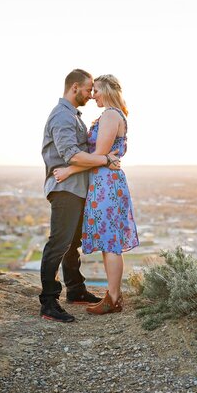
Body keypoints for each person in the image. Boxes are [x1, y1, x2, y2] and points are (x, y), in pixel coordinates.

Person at [39, 68, 121, 323]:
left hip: (76, 188)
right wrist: (105, 159)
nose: (90, 94)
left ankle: (75, 290)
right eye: (88, 89)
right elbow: (72, 155)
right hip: (65, 189)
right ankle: (49, 302)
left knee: (71, 244)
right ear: (75, 88)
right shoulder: (62, 117)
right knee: (59, 243)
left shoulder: (74, 116)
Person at [53, 74, 139, 315]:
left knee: (111, 242)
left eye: (97, 91)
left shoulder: (111, 115)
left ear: (108, 91)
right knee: (107, 242)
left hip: (106, 184)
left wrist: (69, 170)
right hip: (102, 182)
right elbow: (102, 157)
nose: (93, 96)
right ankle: (113, 295)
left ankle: (113, 298)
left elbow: (100, 154)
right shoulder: (109, 115)